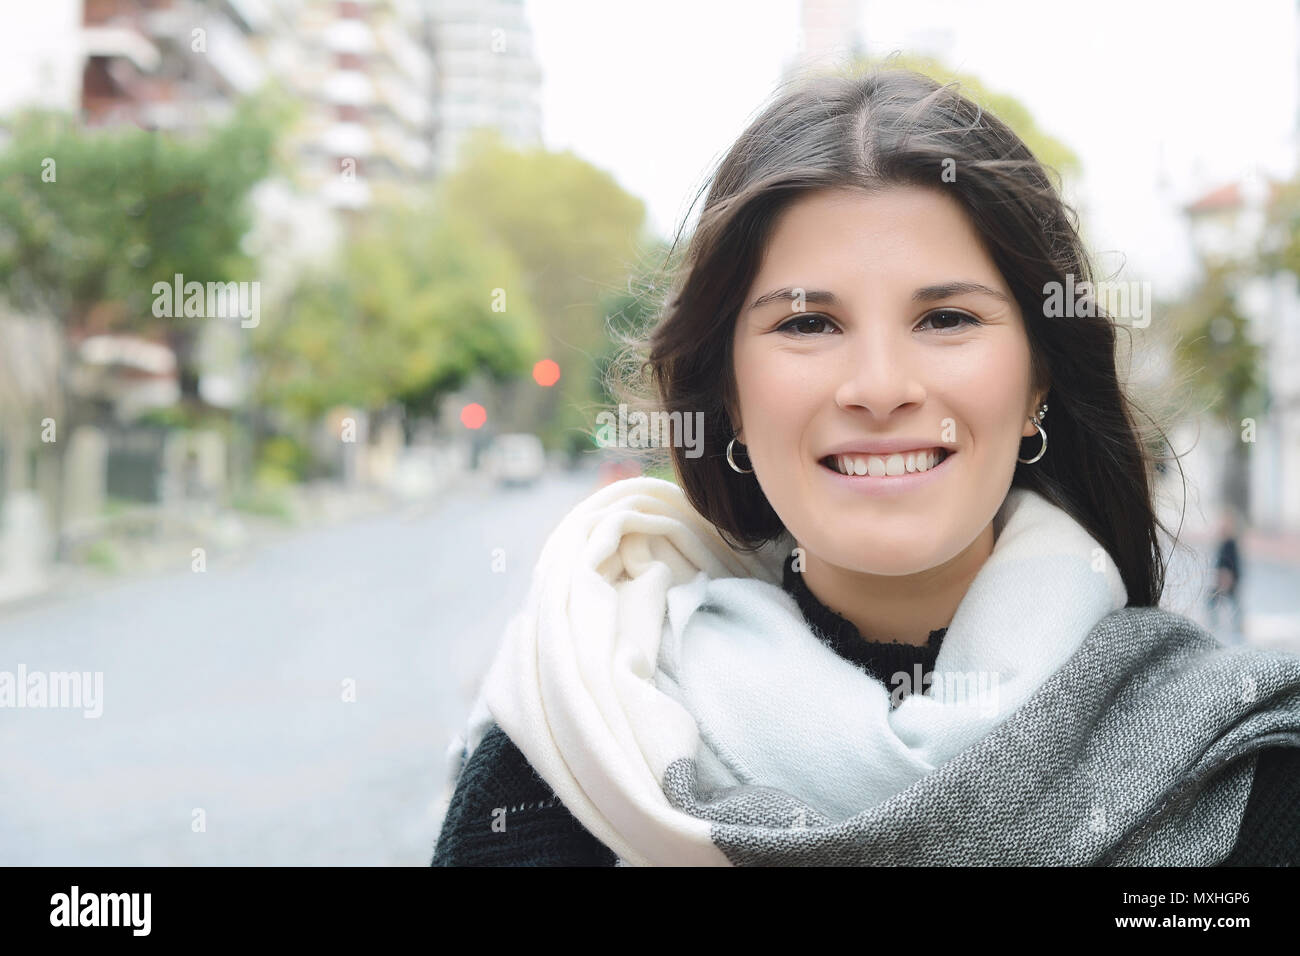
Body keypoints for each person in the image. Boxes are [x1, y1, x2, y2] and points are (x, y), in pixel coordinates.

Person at [430, 68, 1300, 866]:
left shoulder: (1243, 766)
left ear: (1040, 377)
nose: (880, 389)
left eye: (947, 318)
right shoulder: (572, 753)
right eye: (808, 324)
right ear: (728, 392)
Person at [1206, 508, 1245, 641]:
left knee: (1218, 599)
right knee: (1220, 600)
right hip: (1225, 578)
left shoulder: (1230, 543)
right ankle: (1220, 622)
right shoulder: (1226, 542)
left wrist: (1227, 578)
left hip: (1227, 579)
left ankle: (1233, 625)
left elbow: (1229, 563)